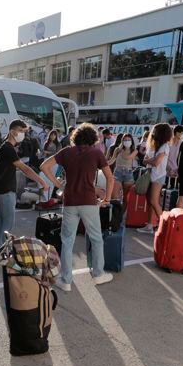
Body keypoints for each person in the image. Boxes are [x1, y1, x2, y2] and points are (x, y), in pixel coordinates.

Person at [41, 124, 115, 290]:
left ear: (76, 137)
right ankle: (98, 274)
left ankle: (66, 280)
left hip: (70, 202)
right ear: (93, 139)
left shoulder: (66, 151)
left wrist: (59, 185)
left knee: (67, 241)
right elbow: (110, 179)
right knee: (96, 238)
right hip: (89, 201)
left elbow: (44, 166)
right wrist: (107, 199)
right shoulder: (96, 153)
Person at [0, 120, 47, 258]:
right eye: (21, 131)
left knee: (1, 221)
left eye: (24, 131)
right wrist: (41, 181)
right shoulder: (8, 148)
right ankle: (3, 252)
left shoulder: (4, 147)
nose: (23, 134)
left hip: (1, 190)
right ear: (12, 132)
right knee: (8, 223)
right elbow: (25, 168)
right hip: (6, 191)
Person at [136, 123, 173, 234]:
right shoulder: (154, 146)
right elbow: (149, 159)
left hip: (158, 176)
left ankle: (165, 225)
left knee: (153, 200)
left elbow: (155, 162)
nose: (153, 133)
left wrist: (148, 161)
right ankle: (149, 225)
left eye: (155, 131)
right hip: (151, 175)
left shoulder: (164, 146)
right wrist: (149, 160)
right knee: (150, 201)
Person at [108, 131, 137, 201]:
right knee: (115, 196)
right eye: (125, 140)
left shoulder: (134, 150)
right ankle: (117, 210)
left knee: (126, 197)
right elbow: (112, 160)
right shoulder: (117, 149)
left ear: (132, 141)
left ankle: (124, 211)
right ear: (122, 141)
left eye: (129, 140)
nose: (127, 141)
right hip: (118, 172)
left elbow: (127, 157)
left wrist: (122, 150)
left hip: (128, 173)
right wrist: (103, 164)